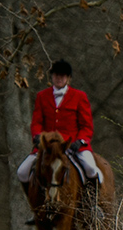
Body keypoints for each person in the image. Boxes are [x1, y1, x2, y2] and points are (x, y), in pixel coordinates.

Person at [17, 59, 102, 213]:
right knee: (22, 171)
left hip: (73, 146)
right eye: (56, 75)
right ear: (52, 77)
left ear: (68, 78)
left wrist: (80, 141)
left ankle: (92, 205)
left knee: (91, 168)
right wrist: (37, 136)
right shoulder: (42, 96)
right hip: (48, 148)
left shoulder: (79, 96)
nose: (59, 78)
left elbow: (87, 126)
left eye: (62, 76)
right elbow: (36, 122)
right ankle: (34, 206)